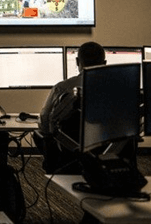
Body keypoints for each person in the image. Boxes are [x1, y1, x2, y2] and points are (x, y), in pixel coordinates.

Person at [36, 41, 106, 174]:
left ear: (77, 61)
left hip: (69, 154)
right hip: (107, 152)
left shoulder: (63, 87)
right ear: (104, 63)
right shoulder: (116, 88)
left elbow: (45, 120)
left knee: (38, 134)